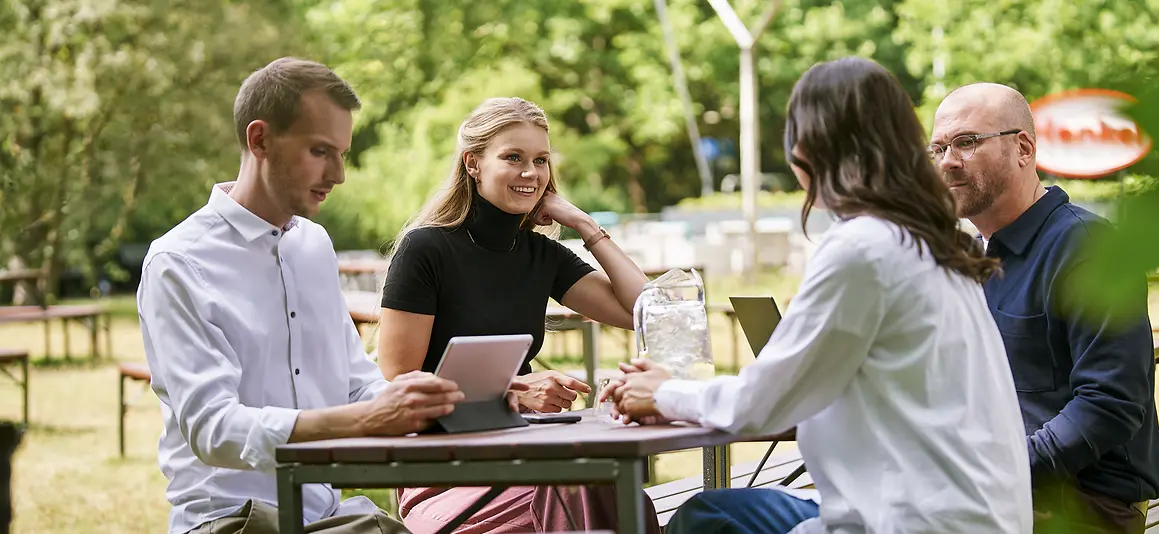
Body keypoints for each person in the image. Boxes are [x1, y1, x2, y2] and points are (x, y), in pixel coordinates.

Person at [604, 57, 1033, 534]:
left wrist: (661, 391)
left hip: (916, 521)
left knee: (701, 523)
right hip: (977, 516)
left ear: (806, 148)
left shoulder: (864, 249)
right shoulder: (938, 241)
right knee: (709, 513)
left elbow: (761, 404)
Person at [137, 57, 465, 534]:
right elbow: (214, 430)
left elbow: (357, 384)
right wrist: (361, 419)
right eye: (319, 151)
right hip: (231, 521)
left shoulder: (313, 245)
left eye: (342, 154)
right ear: (259, 139)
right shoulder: (179, 262)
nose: (338, 174)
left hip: (324, 516)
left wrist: (443, 399)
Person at [375, 97, 659, 533]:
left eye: (540, 160)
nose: (531, 173)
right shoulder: (425, 250)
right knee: (586, 492)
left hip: (530, 452)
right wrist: (511, 391)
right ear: (472, 164)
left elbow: (645, 312)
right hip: (442, 470)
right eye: (513, 158)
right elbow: (397, 379)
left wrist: (585, 226)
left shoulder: (541, 254)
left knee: (616, 493)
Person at [930, 83, 1159, 533]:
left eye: (966, 142)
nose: (947, 160)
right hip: (1005, 486)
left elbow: (1109, 405)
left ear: (1023, 148)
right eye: (939, 147)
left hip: (1085, 502)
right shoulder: (973, 257)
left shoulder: (1087, 247)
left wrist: (1003, 474)